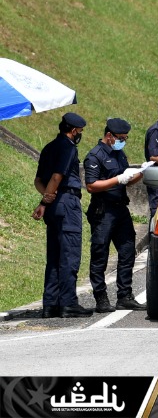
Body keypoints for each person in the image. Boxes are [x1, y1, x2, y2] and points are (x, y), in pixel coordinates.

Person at [32, 112, 92, 318]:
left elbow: (38, 180)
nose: (80, 135)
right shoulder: (68, 148)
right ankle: (68, 303)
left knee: (54, 256)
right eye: (80, 132)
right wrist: (48, 197)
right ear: (74, 130)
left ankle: (50, 303)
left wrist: (46, 199)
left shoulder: (48, 147)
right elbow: (57, 176)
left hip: (53, 205)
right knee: (69, 255)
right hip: (67, 203)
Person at [84, 118, 145, 312]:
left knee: (127, 251)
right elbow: (91, 186)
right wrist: (117, 179)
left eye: (126, 138)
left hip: (121, 209)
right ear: (109, 136)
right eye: (120, 138)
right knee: (100, 254)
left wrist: (141, 173)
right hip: (103, 211)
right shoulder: (95, 156)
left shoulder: (119, 154)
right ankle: (101, 299)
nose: (123, 141)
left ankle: (124, 296)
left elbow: (125, 182)